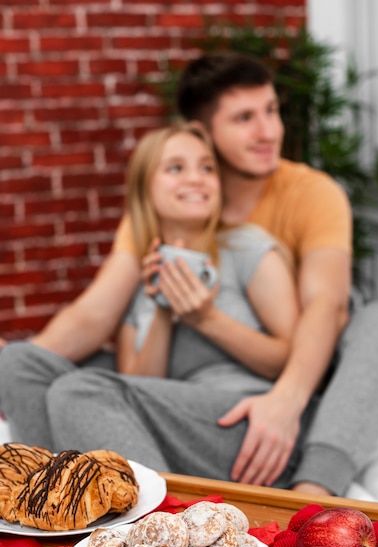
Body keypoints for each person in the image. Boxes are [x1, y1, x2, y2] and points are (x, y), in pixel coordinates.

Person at [0, 52, 378, 496]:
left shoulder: (300, 202)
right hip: (186, 395)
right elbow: (95, 316)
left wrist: (285, 400)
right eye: (245, 118)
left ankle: (313, 489)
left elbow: (324, 306)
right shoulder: (161, 215)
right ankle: (66, 492)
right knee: (23, 364)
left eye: (272, 111)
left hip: (297, 372)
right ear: (204, 131)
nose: (269, 131)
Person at [0, 121, 314, 487]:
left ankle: (158, 516)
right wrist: (162, 307)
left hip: (249, 425)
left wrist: (206, 318)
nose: (196, 178)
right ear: (145, 189)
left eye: (207, 167)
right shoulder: (143, 276)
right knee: (15, 361)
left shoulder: (247, 248)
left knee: (77, 390)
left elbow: (288, 359)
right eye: (176, 168)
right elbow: (134, 386)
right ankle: (58, 498)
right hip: (170, 426)